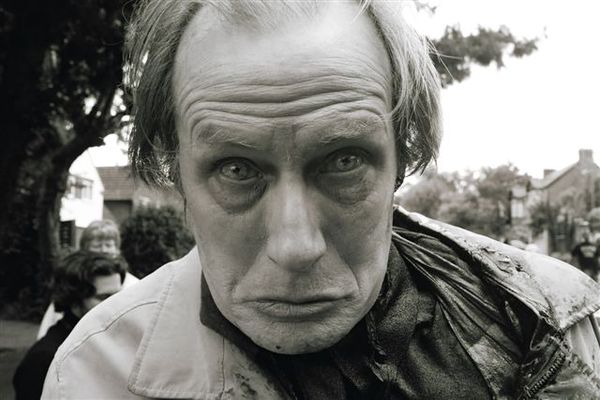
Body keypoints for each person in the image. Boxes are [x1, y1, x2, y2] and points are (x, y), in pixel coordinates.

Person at [43, 1, 600, 398]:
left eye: (343, 161)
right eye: (236, 169)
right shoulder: (96, 374)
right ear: (176, 171)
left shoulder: (558, 319)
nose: (296, 246)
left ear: (402, 157)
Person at [13, 251, 126, 400]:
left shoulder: (111, 341)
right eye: (103, 297)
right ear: (74, 300)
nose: (117, 305)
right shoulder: (44, 359)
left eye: (119, 295)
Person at [37, 219, 139, 339]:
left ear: (117, 249)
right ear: (84, 250)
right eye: (97, 245)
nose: (103, 250)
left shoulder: (135, 285)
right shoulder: (73, 283)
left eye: (108, 245)